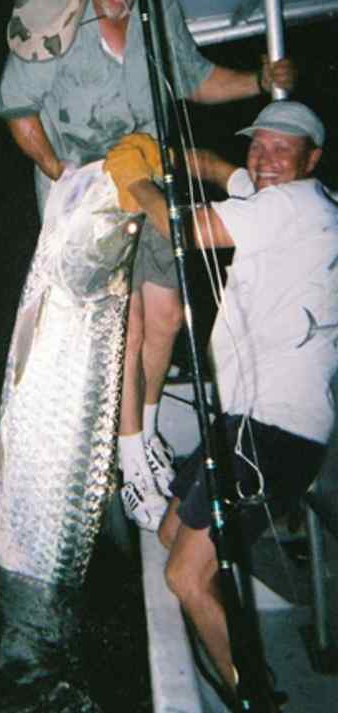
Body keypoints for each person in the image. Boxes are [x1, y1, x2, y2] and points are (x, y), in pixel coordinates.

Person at [0, 0, 297, 530]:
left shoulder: (160, 14)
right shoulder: (58, 12)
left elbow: (196, 80)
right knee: (118, 321)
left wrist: (260, 82)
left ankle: (147, 435)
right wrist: (62, 176)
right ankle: (131, 467)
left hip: (148, 179)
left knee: (165, 311)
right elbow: (19, 113)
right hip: (85, 200)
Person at [108, 102, 338, 698]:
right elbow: (217, 166)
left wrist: (135, 180)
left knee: (184, 576)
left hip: (273, 432)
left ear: (312, 159)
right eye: (257, 145)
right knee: (166, 534)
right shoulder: (282, 195)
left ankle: (253, 696)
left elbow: (190, 232)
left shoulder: (295, 205)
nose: (264, 159)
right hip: (248, 424)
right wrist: (170, 157)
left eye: (281, 149)